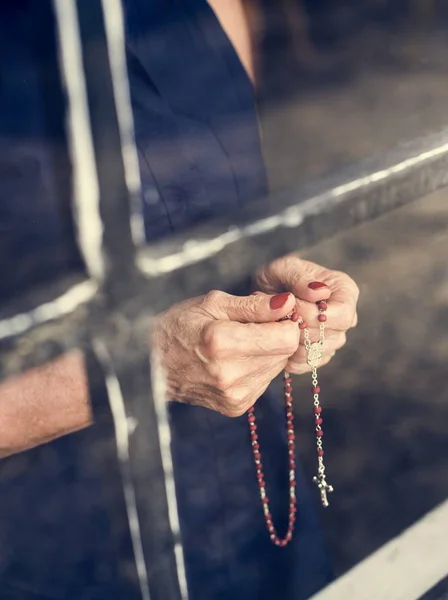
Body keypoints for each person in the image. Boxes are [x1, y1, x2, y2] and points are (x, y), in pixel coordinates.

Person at [0, 1, 359, 599]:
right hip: (54, 537)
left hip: (251, 486)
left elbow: (234, 200)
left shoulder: (204, 11)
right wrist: (139, 370)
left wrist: (273, 278)